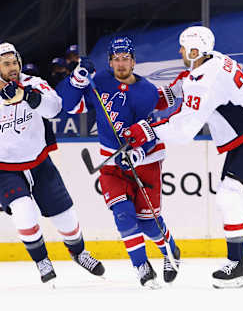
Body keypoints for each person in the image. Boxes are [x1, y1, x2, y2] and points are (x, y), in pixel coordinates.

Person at [122, 26, 243, 289]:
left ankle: (237, 264)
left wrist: (148, 130)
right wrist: (169, 93)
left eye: (183, 47)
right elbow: (191, 81)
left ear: (195, 50)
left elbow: (184, 130)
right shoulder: (216, 59)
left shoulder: (204, 82)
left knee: (229, 195)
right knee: (234, 194)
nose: (180, 51)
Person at [0, 42, 105, 285]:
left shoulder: (34, 83)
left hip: (39, 162)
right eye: (6, 64)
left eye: (15, 62)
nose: (13, 67)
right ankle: (42, 260)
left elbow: (54, 109)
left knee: (65, 216)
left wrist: (26, 96)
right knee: (24, 212)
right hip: (3, 169)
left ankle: (79, 253)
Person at [56, 36, 180, 288]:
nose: (121, 64)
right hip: (111, 162)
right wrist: (76, 80)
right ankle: (142, 267)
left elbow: (151, 129)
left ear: (134, 62)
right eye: (116, 59)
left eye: (126, 59)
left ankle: (170, 250)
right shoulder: (98, 82)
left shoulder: (146, 91)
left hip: (146, 161)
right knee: (123, 216)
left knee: (149, 223)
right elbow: (66, 105)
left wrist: (138, 152)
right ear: (110, 62)